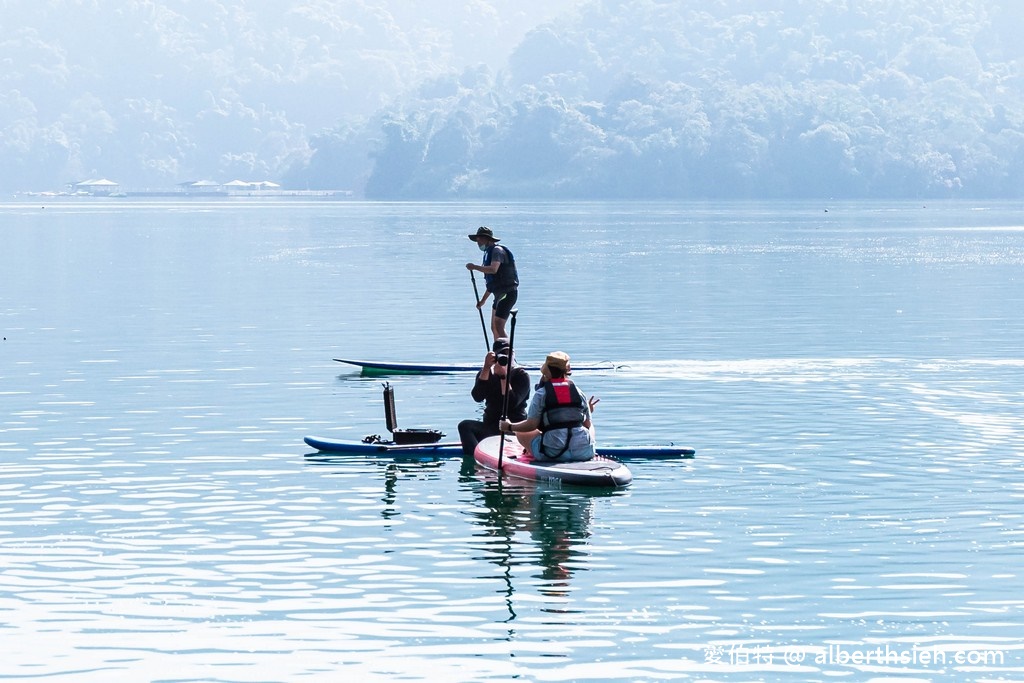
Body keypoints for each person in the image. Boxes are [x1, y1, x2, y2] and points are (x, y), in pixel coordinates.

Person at [499, 351, 600, 462]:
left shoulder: (542, 393)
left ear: (546, 372)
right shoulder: (578, 392)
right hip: (584, 452)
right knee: (590, 425)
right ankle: (590, 445)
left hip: (554, 453)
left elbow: (531, 425)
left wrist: (509, 427)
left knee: (521, 432)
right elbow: (587, 424)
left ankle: (530, 450)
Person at [457, 337, 531, 457]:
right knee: (464, 426)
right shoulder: (486, 373)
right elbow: (477, 397)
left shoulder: (521, 375)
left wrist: (504, 377)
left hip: (513, 426)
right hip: (491, 426)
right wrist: (486, 368)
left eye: (508, 354)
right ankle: (476, 457)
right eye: (501, 354)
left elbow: (512, 403)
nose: (505, 358)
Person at [466, 226, 519, 341]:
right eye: (477, 240)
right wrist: (483, 301)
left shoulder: (497, 251)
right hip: (499, 294)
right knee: (494, 327)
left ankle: (507, 354)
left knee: (499, 325)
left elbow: (493, 269)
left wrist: (474, 267)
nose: (478, 243)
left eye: (480, 239)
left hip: (508, 293)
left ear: (488, 239)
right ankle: (498, 354)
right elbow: (492, 284)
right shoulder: (488, 254)